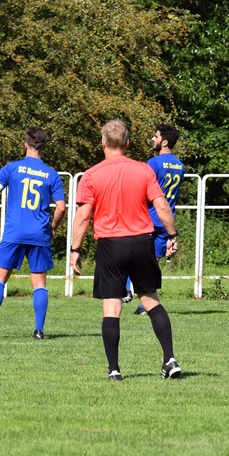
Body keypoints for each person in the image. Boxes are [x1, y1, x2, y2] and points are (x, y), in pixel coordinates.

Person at [69, 119, 181, 381]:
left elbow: (83, 217)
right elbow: (162, 206)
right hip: (142, 241)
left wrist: (75, 249)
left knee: (111, 308)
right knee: (151, 301)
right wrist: (172, 235)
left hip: (110, 245)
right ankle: (169, 359)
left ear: (103, 143)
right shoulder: (143, 170)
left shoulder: (91, 175)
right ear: (127, 143)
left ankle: (114, 370)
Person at [0, 128, 66, 339]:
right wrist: (53, 227)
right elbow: (61, 207)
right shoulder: (52, 174)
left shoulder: (12, 168)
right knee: (39, 284)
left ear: (25, 145)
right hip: (39, 233)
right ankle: (38, 330)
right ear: (43, 147)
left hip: (14, 233)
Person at [130, 124, 186, 314]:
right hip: (166, 221)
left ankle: (127, 289)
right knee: (153, 263)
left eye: (155, 136)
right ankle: (145, 305)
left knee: (133, 256)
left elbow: (142, 188)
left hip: (148, 217)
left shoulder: (153, 163)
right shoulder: (180, 165)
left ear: (164, 142)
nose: (152, 139)